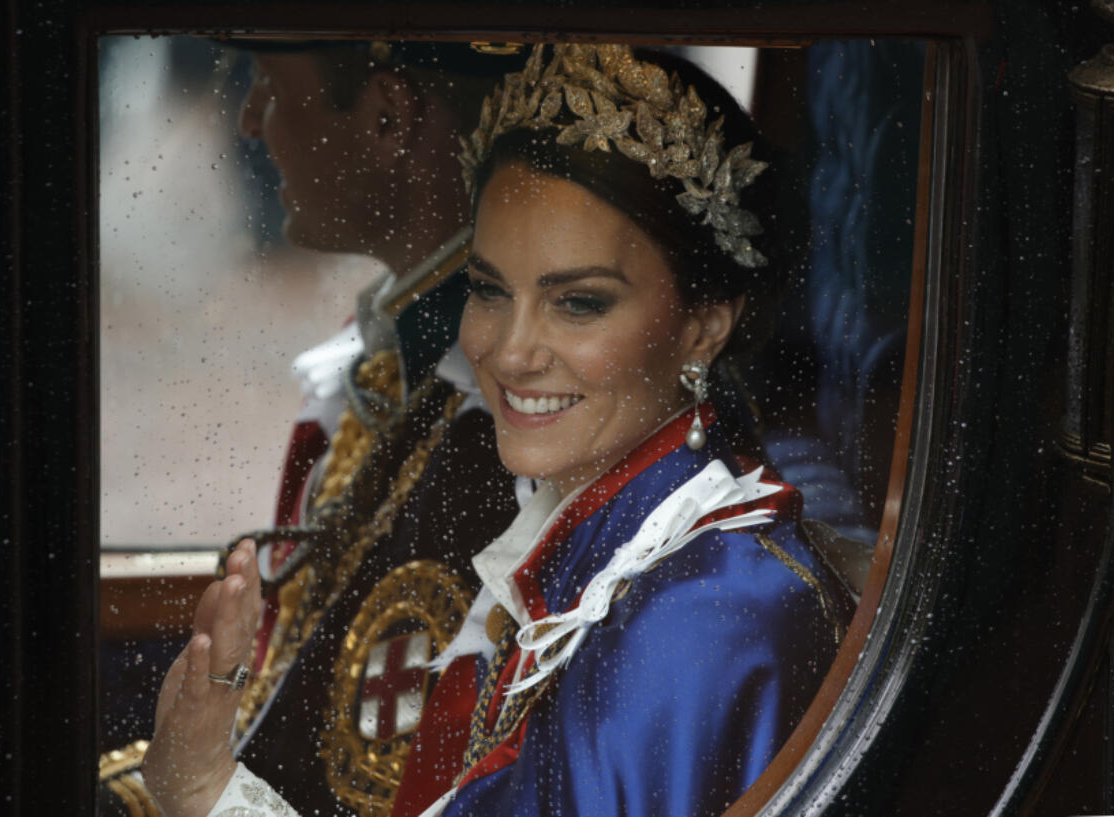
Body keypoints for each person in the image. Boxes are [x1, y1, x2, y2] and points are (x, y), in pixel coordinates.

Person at [144, 43, 854, 817]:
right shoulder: (596, 544)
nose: (509, 352)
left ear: (704, 326)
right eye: (488, 290)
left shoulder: (705, 613)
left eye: (578, 302)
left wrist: (206, 794)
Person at [99, 41, 527, 817]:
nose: (252, 120)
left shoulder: (495, 437)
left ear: (388, 118)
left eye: (267, 82)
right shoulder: (389, 362)